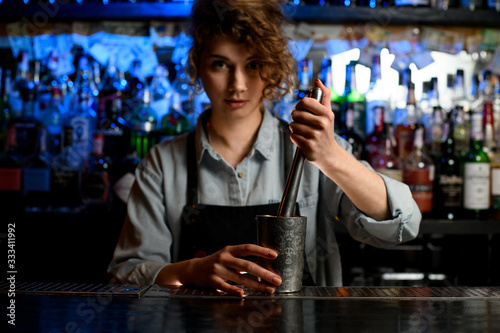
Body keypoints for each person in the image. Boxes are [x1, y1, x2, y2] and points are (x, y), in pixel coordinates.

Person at [108, 0, 421, 296]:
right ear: (197, 66)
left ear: (271, 68)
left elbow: (403, 225)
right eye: (220, 64)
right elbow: (126, 275)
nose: (238, 84)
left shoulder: (316, 151)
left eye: (253, 64)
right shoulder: (162, 165)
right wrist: (189, 271)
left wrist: (331, 157)